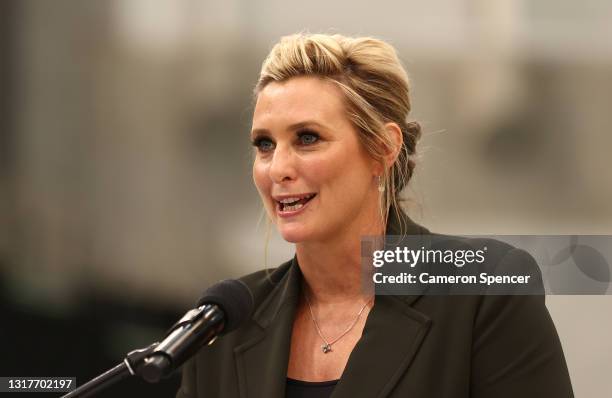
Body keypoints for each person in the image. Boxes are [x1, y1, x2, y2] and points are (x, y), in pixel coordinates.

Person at [176, 33, 573, 398]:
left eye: (307, 138)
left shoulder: (483, 290)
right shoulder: (223, 326)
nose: (277, 167)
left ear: (384, 149)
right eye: (264, 144)